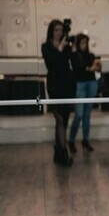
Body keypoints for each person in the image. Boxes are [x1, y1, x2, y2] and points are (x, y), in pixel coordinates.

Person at [42, 20, 75, 167]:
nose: (59, 33)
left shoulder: (66, 45)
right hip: (54, 85)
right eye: (56, 30)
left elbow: (71, 62)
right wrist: (60, 48)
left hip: (66, 85)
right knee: (60, 118)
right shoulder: (46, 47)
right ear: (51, 31)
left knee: (64, 120)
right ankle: (64, 153)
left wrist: (70, 48)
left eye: (61, 30)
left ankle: (58, 152)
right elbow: (51, 64)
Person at [68, 34, 101, 153]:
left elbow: (96, 68)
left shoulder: (91, 55)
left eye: (86, 43)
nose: (84, 45)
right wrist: (89, 68)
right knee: (79, 114)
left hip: (91, 83)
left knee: (87, 115)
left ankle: (85, 140)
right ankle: (71, 140)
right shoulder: (74, 55)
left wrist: (95, 67)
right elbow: (78, 68)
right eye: (82, 43)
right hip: (80, 84)